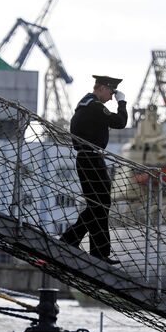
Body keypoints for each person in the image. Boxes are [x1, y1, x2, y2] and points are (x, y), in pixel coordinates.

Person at [60, 75, 128, 264]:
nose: (111, 97)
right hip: (90, 158)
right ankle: (75, 242)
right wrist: (122, 103)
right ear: (101, 88)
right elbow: (119, 122)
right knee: (99, 203)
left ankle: (94, 250)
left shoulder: (89, 105)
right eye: (111, 92)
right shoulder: (92, 106)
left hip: (93, 157)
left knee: (100, 204)